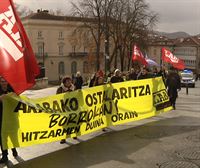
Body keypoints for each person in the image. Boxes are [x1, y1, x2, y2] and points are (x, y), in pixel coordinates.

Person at [0, 77, 18, 164]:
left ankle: (14, 149)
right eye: (2, 82)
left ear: (7, 82)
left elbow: (18, 103)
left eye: (5, 81)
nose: (4, 83)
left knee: (12, 135)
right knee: (2, 137)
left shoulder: (12, 90)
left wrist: (14, 97)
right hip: (1, 118)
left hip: (11, 118)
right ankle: (5, 155)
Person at [56, 76, 76, 143]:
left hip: (72, 108)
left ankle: (74, 134)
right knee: (64, 124)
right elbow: (56, 98)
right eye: (67, 81)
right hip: (64, 108)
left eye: (70, 81)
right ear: (64, 82)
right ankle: (63, 138)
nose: (69, 82)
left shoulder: (73, 88)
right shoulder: (60, 89)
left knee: (73, 122)